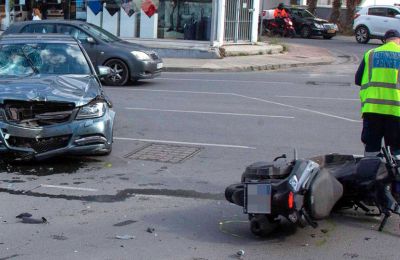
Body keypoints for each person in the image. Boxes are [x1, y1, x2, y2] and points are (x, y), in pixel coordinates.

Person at [355, 29, 400, 157]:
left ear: (385, 40)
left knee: (371, 148)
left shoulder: (371, 54)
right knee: (396, 150)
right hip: (396, 110)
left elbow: (358, 80)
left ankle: (370, 173)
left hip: (372, 109)